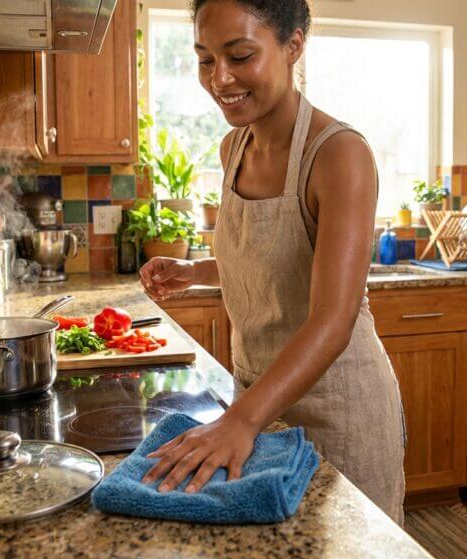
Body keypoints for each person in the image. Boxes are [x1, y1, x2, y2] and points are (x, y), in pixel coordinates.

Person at [138, 0, 406, 523]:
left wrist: (240, 420)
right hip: (258, 406)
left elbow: (334, 317)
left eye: (239, 56)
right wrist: (196, 272)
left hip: (337, 412)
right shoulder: (232, 149)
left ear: (294, 46)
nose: (220, 78)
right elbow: (272, 255)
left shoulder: (338, 154)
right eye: (205, 59)